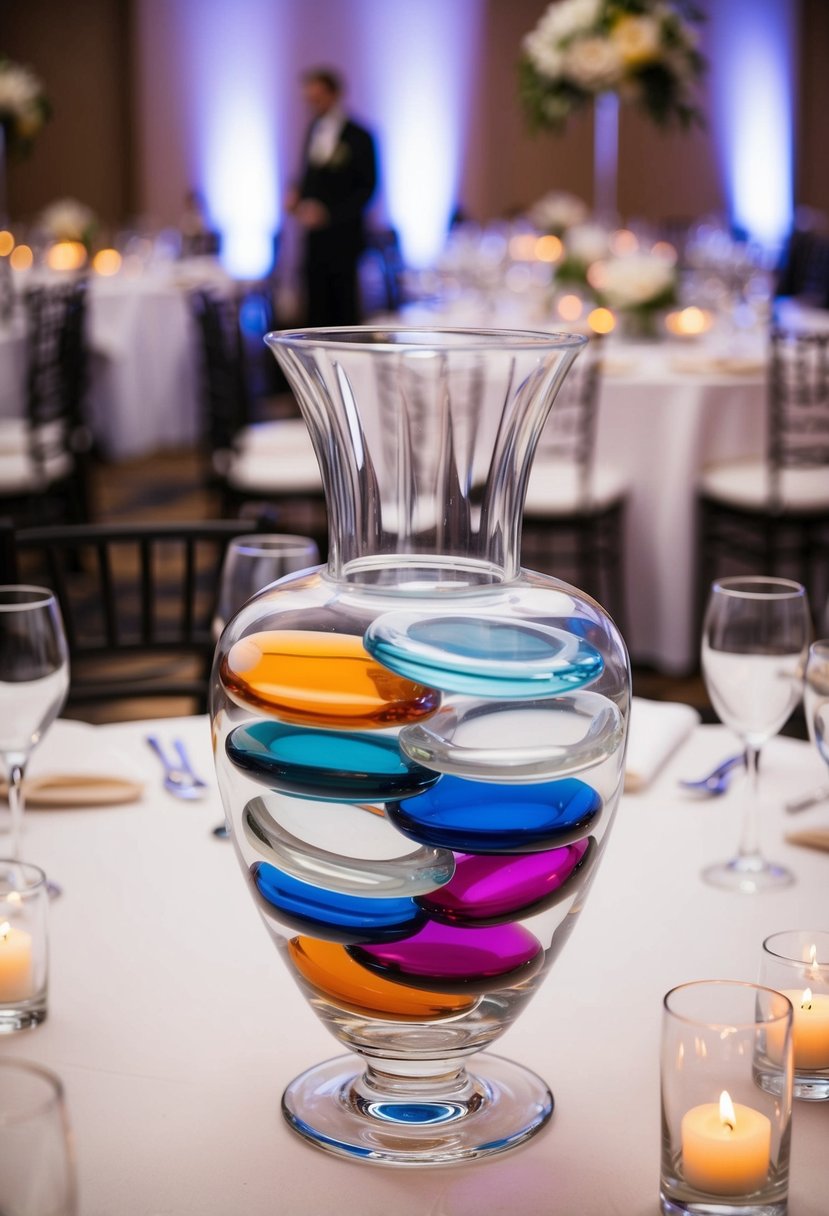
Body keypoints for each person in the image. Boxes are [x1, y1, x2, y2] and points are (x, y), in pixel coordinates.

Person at [285, 68, 377, 327]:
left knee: (343, 310)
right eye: (309, 99)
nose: (313, 104)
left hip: (344, 239)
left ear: (335, 94)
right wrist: (296, 196)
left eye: (318, 97)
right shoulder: (313, 129)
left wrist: (330, 214)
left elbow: (368, 189)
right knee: (315, 312)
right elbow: (309, 176)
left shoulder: (359, 136)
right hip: (315, 240)